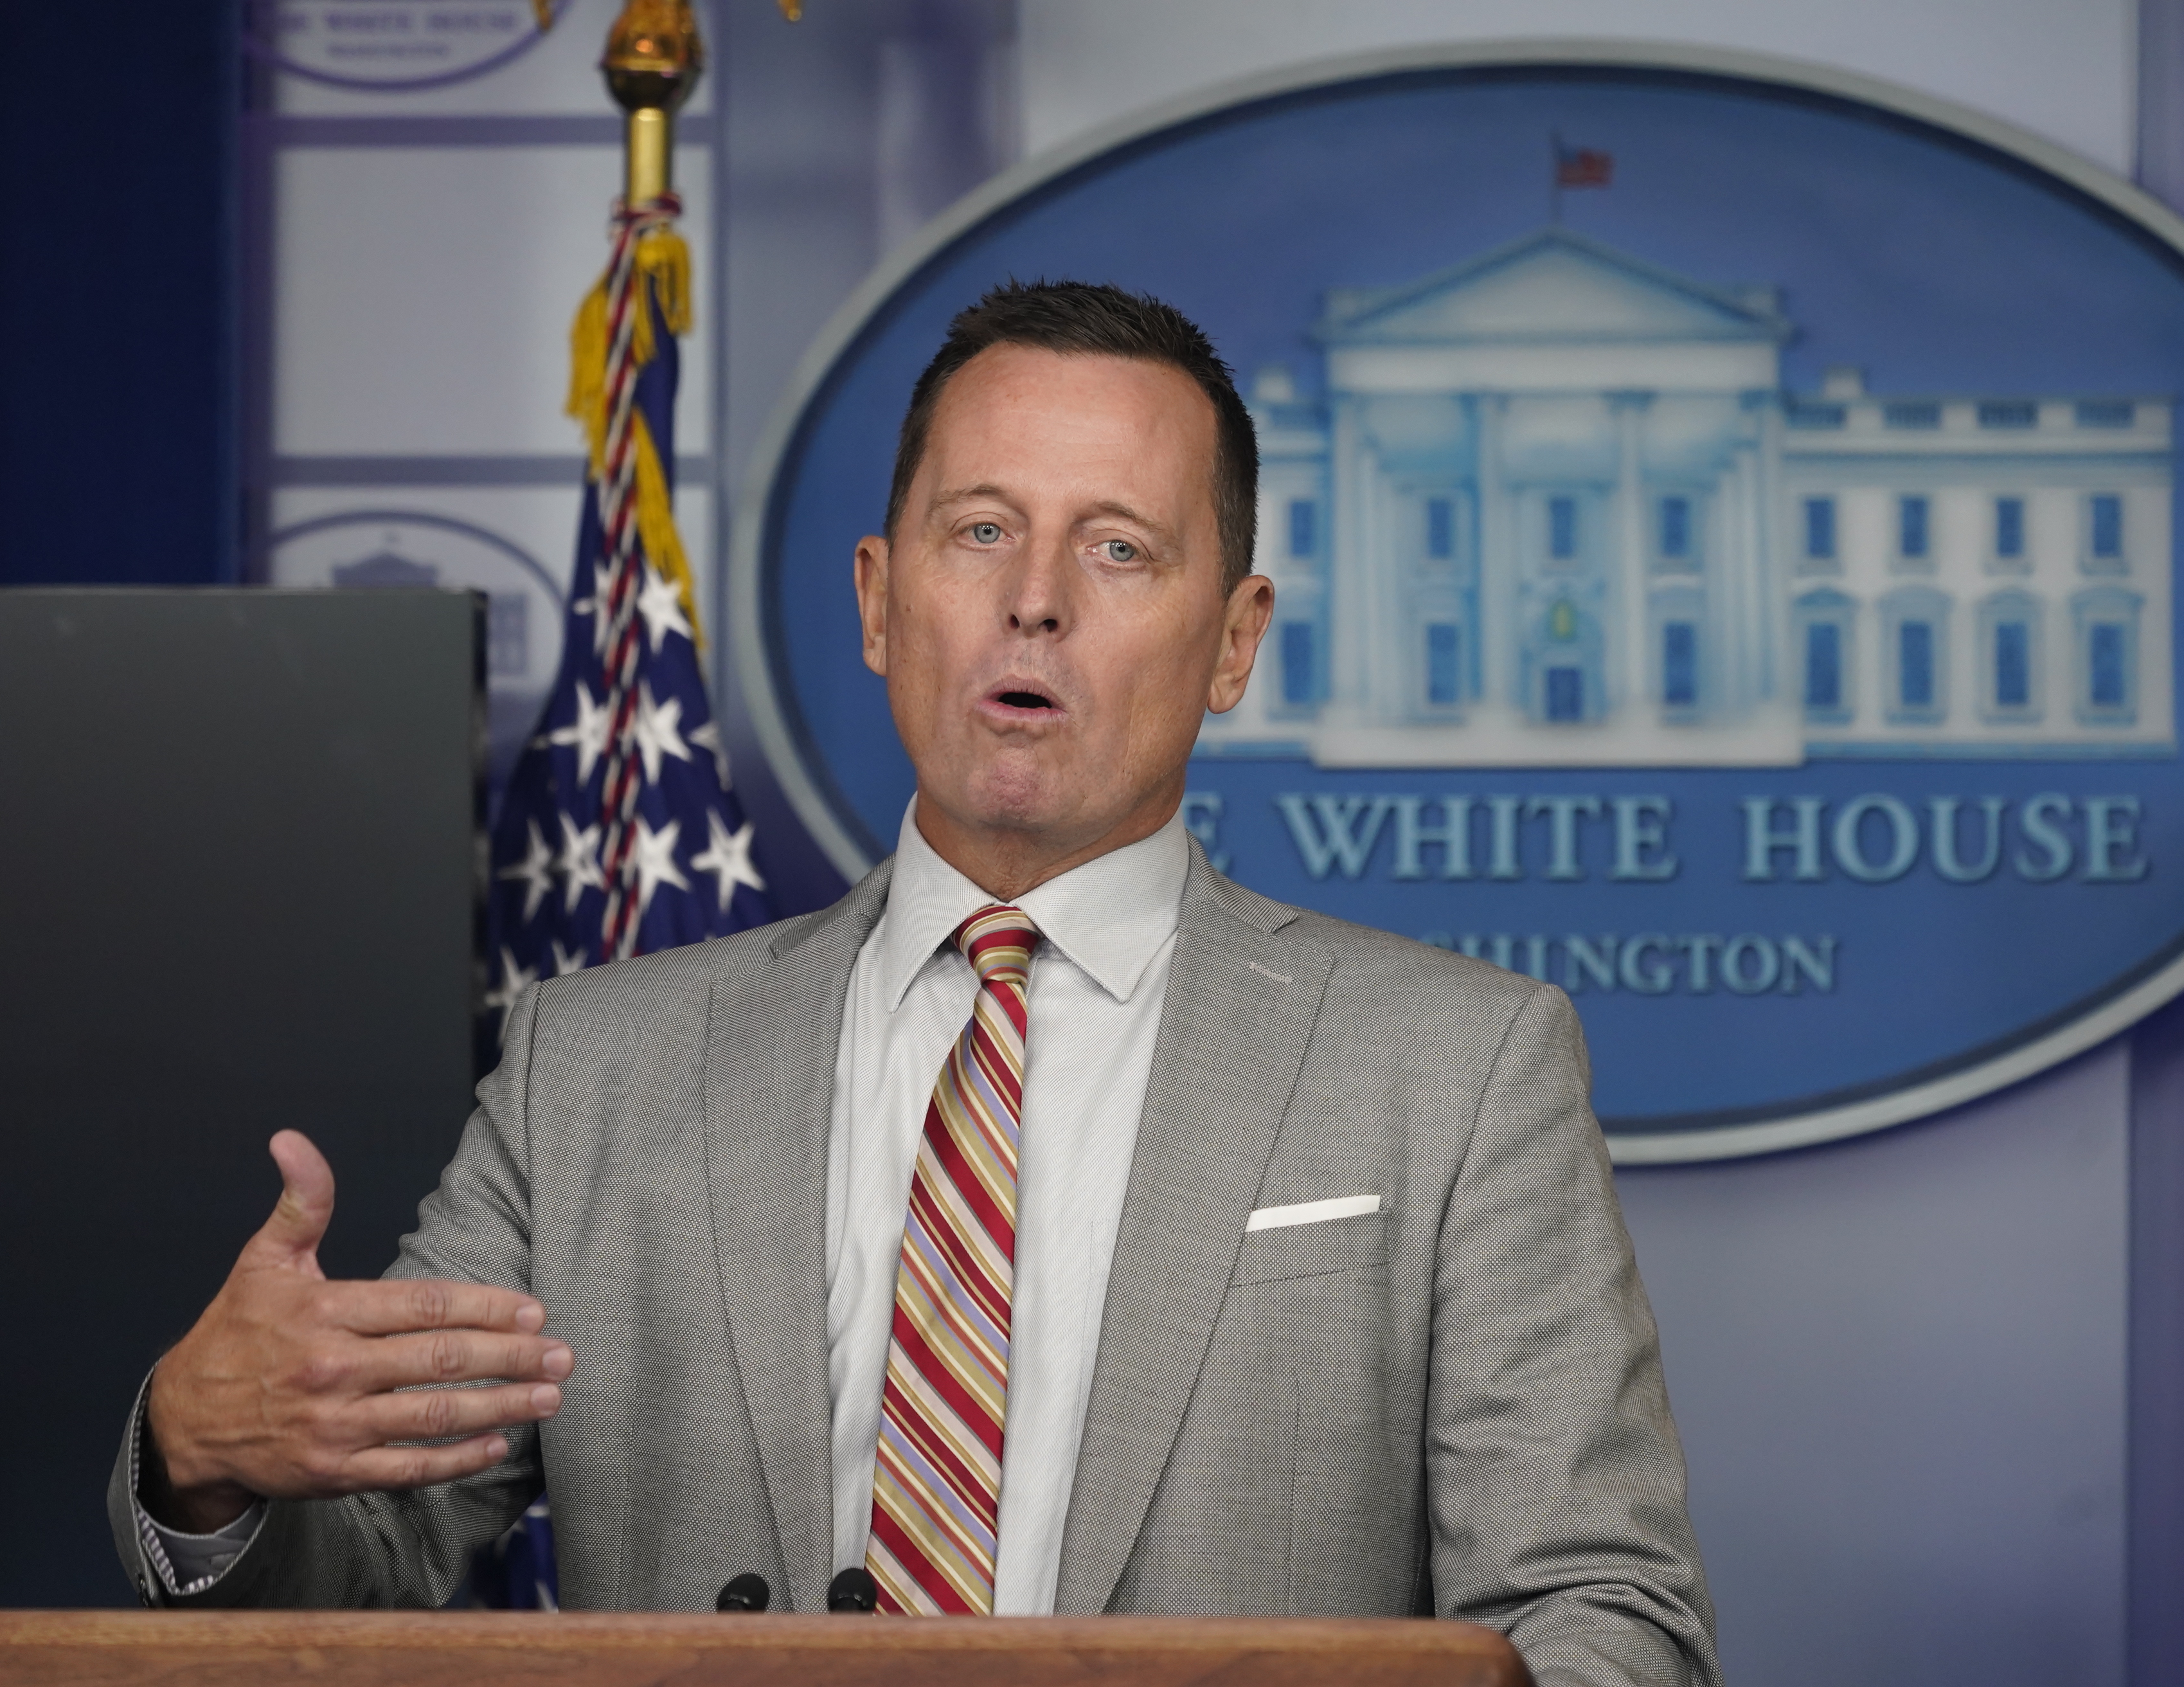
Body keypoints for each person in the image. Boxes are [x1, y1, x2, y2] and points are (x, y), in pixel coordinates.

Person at [109, 281, 1722, 1687]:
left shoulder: (1459, 1069)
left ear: (1235, 644)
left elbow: (1599, 1615)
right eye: (981, 530)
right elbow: (365, 1564)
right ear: (883, 601)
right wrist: (206, 1464)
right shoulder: (591, 1068)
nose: (1036, 598)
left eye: (1118, 547)